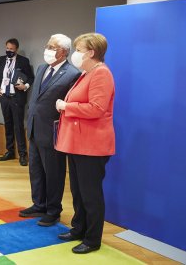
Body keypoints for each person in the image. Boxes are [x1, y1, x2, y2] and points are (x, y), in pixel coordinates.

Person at [55, 33, 115, 254]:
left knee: (90, 194)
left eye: (79, 50)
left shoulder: (101, 73)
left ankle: (92, 239)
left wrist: (65, 107)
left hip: (92, 146)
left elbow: (97, 109)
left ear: (91, 52)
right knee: (78, 192)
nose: (75, 54)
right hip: (78, 143)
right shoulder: (86, 73)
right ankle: (78, 228)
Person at [20, 34, 81, 226]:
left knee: (53, 173)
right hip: (34, 128)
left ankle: (53, 210)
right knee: (35, 170)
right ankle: (39, 204)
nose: (47, 49)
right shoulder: (41, 68)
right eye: (47, 45)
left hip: (53, 132)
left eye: (52, 46)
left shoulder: (72, 74)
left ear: (63, 51)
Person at [0, 38, 34, 166]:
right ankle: (9, 151)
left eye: (12, 49)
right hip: (4, 97)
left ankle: (23, 155)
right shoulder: (1, 60)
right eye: (7, 48)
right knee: (8, 125)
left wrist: (25, 86)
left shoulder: (23, 61)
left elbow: (31, 77)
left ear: (16, 49)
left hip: (17, 98)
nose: (9, 51)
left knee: (18, 126)